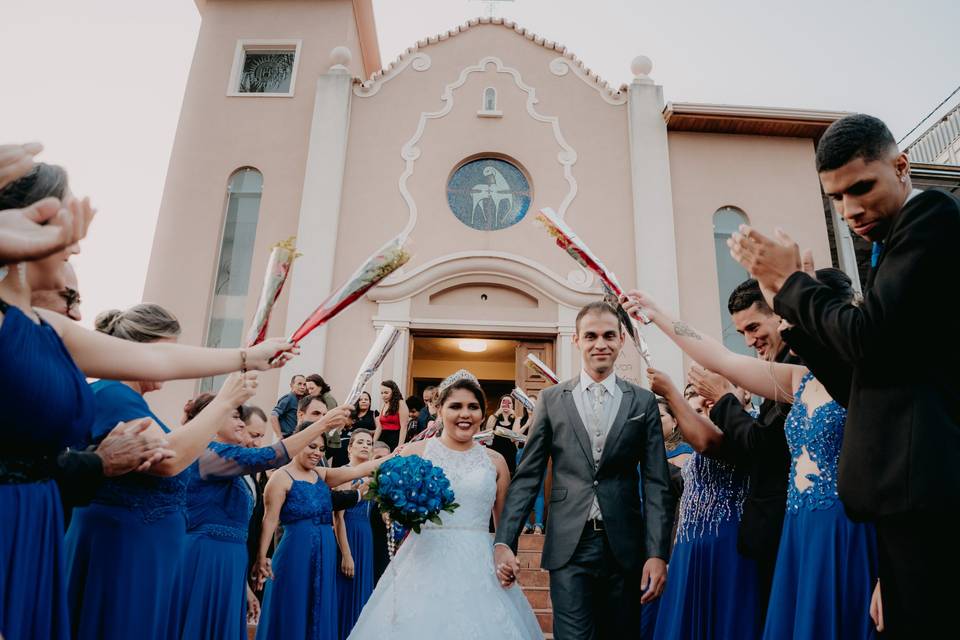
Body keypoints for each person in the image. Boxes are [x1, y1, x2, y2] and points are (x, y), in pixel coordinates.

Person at [0, 163, 294, 640]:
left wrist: (248, 355)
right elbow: (172, 453)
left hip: (39, 517)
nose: (75, 244)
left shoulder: (47, 328)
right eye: (58, 225)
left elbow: (152, 360)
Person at [728, 113, 960, 637]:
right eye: (836, 197)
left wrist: (789, 281)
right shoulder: (888, 247)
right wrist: (791, 315)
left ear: (901, 167)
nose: (851, 209)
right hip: (897, 517)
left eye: (862, 188)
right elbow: (859, 380)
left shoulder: (933, 218)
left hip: (931, 505)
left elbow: (865, 337)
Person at [629, 270, 878, 640]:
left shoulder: (866, 378)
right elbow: (721, 357)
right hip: (796, 528)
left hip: (845, 527)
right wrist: (657, 313)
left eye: (794, 317)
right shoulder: (797, 379)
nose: (788, 327)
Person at [494, 301, 674, 639]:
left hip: (624, 546)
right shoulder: (551, 399)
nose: (600, 344)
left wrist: (657, 553)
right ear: (577, 341)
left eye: (609, 335)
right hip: (569, 545)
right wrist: (505, 540)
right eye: (590, 336)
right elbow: (528, 476)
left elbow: (656, 483)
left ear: (622, 339)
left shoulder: (642, 401)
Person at [638, 279, 795, 622]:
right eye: (742, 332)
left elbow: (760, 446)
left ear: (779, 316)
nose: (750, 341)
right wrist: (658, 315)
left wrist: (724, 398)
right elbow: (718, 355)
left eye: (754, 327)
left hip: (780, 529)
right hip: (711, 540)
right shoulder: (772, 370)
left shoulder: (794, 372)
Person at [348, 370, 541, 639]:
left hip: (480, 565)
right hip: (423, 560)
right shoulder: (415, 452)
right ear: (439, 411)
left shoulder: (495, 461)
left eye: (473, 407)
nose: (465, 414)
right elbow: (375, 485)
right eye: (456, 406)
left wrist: (506, 554)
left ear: (483, 414)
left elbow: (504, 525)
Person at [253, 426, 388, 640]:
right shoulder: (280, 477)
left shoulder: (321, 474)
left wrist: (400, 455)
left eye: (322, 449)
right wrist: (261, 557)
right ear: (297, 443)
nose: (317, 452)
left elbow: (356, 471)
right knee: (293, 605)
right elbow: (269, 520)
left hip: (325, 551)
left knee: (319, 606)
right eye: (312, 446)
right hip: (295, 551)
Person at [333, 430, 376, 639]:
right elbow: (337, 518)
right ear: (349, 447)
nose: (365, 446)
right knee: (346, 591)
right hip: (347, 534)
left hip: (366, 535)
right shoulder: (344, 473)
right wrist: (346, 554)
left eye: (369, 442)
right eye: (360, 442)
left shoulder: (373, 477)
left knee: (363, 596)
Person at [368, 440, 392, 586]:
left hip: (383, 545)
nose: (383, 462)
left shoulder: (394, 487)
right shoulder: (358, 482)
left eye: (386, 458)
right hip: (362, 542)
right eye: (378, 458)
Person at [485, 395, 520, 476]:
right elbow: (488, 431)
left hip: (510, 455)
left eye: (509, 403)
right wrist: (497, 413)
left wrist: (514, 415)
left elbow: (515, 438)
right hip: (495, 454)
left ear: (512, 406)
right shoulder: (493, 417)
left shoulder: (516, 419)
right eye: (503, 402)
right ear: (500, 404)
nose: (506, 404)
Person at [373, 380, 408, 451]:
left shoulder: (400, 403)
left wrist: (399, 447)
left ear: (393, 392)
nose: (383, 395)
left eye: (386, 393)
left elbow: (404, 427)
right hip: (383, 438)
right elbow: (379, 427)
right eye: (382, 393)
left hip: (395, 438)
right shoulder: (384, 404)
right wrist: (373, 443)